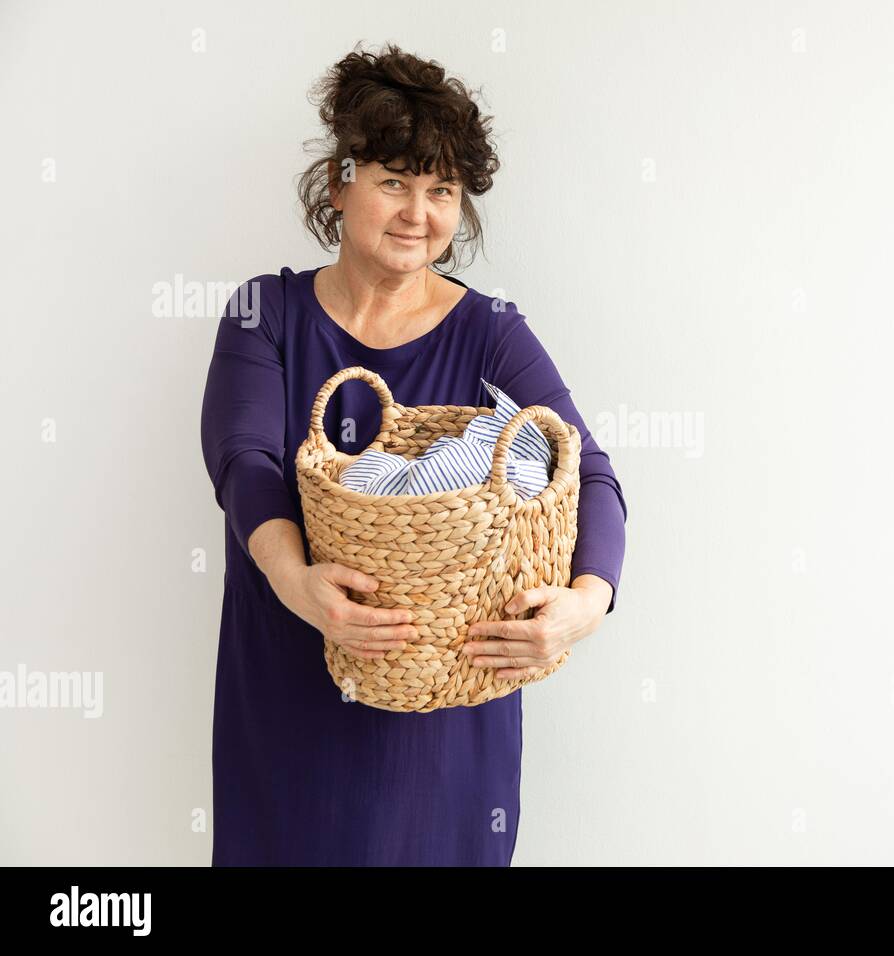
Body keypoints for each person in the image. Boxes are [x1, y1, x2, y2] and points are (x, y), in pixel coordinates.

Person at [199, 42, 627, 865]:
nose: (417, 213)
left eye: (441, 190)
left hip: (445, 737)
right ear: (340, 183)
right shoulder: (266, 314)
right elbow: (244, 459)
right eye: (394, 180)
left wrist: (584, 608)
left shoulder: (493, 333)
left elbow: (590, 471)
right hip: (292, 691)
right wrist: (298, 583)